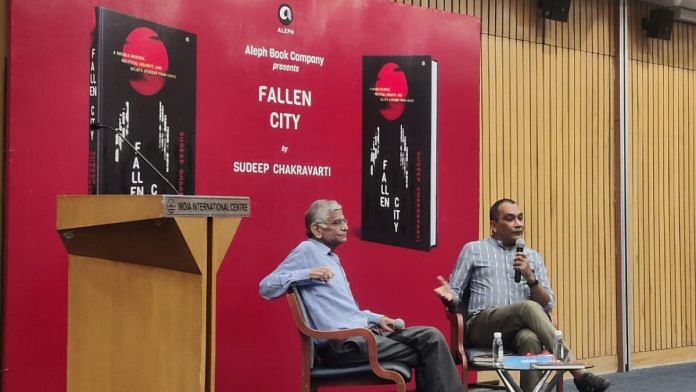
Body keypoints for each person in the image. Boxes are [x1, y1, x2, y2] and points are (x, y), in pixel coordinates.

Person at [260, 199, 463, 392]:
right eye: (337, 222)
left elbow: (349, 312)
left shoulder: (332, 259)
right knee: (428, 352)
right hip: (344, 345)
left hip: (362, 336)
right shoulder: (307, 251)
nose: (346, 227)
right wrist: (307, 273)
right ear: (317, 229)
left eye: (345, 221)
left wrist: (378, 318)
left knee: (431, 337)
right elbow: (266, 287)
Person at [434, 199, 610, 392]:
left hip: (517, 332)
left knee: (530, 339)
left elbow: (548, 304)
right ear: (494, 226)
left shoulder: (532, 257)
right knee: (527, 307)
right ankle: (578, 372)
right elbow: (456, 292)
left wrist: (530, 277)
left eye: (520, 218)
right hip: (482, 328)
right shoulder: (473, 250)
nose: (518, 224)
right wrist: (449, 296)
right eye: (510, 219)